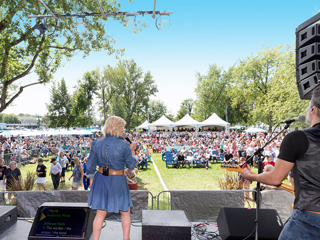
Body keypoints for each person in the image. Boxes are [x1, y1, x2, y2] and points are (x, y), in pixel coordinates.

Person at [241, 86, 320, 240]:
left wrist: (251, 176)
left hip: (309, 219)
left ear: (313, 110)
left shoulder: (298, 138)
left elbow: (275, 179)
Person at [86, 116, 136, 240]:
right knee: (125, 212)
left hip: (101, 179)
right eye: (122, 128)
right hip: (118, 180)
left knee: (100, 214)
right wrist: (132, 151)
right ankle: (126, 239)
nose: (123, 131)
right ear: (118, 128)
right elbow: (131, 165)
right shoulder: (125, 145)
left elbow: (90, 164)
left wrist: (91, 178)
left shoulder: (97, 143)